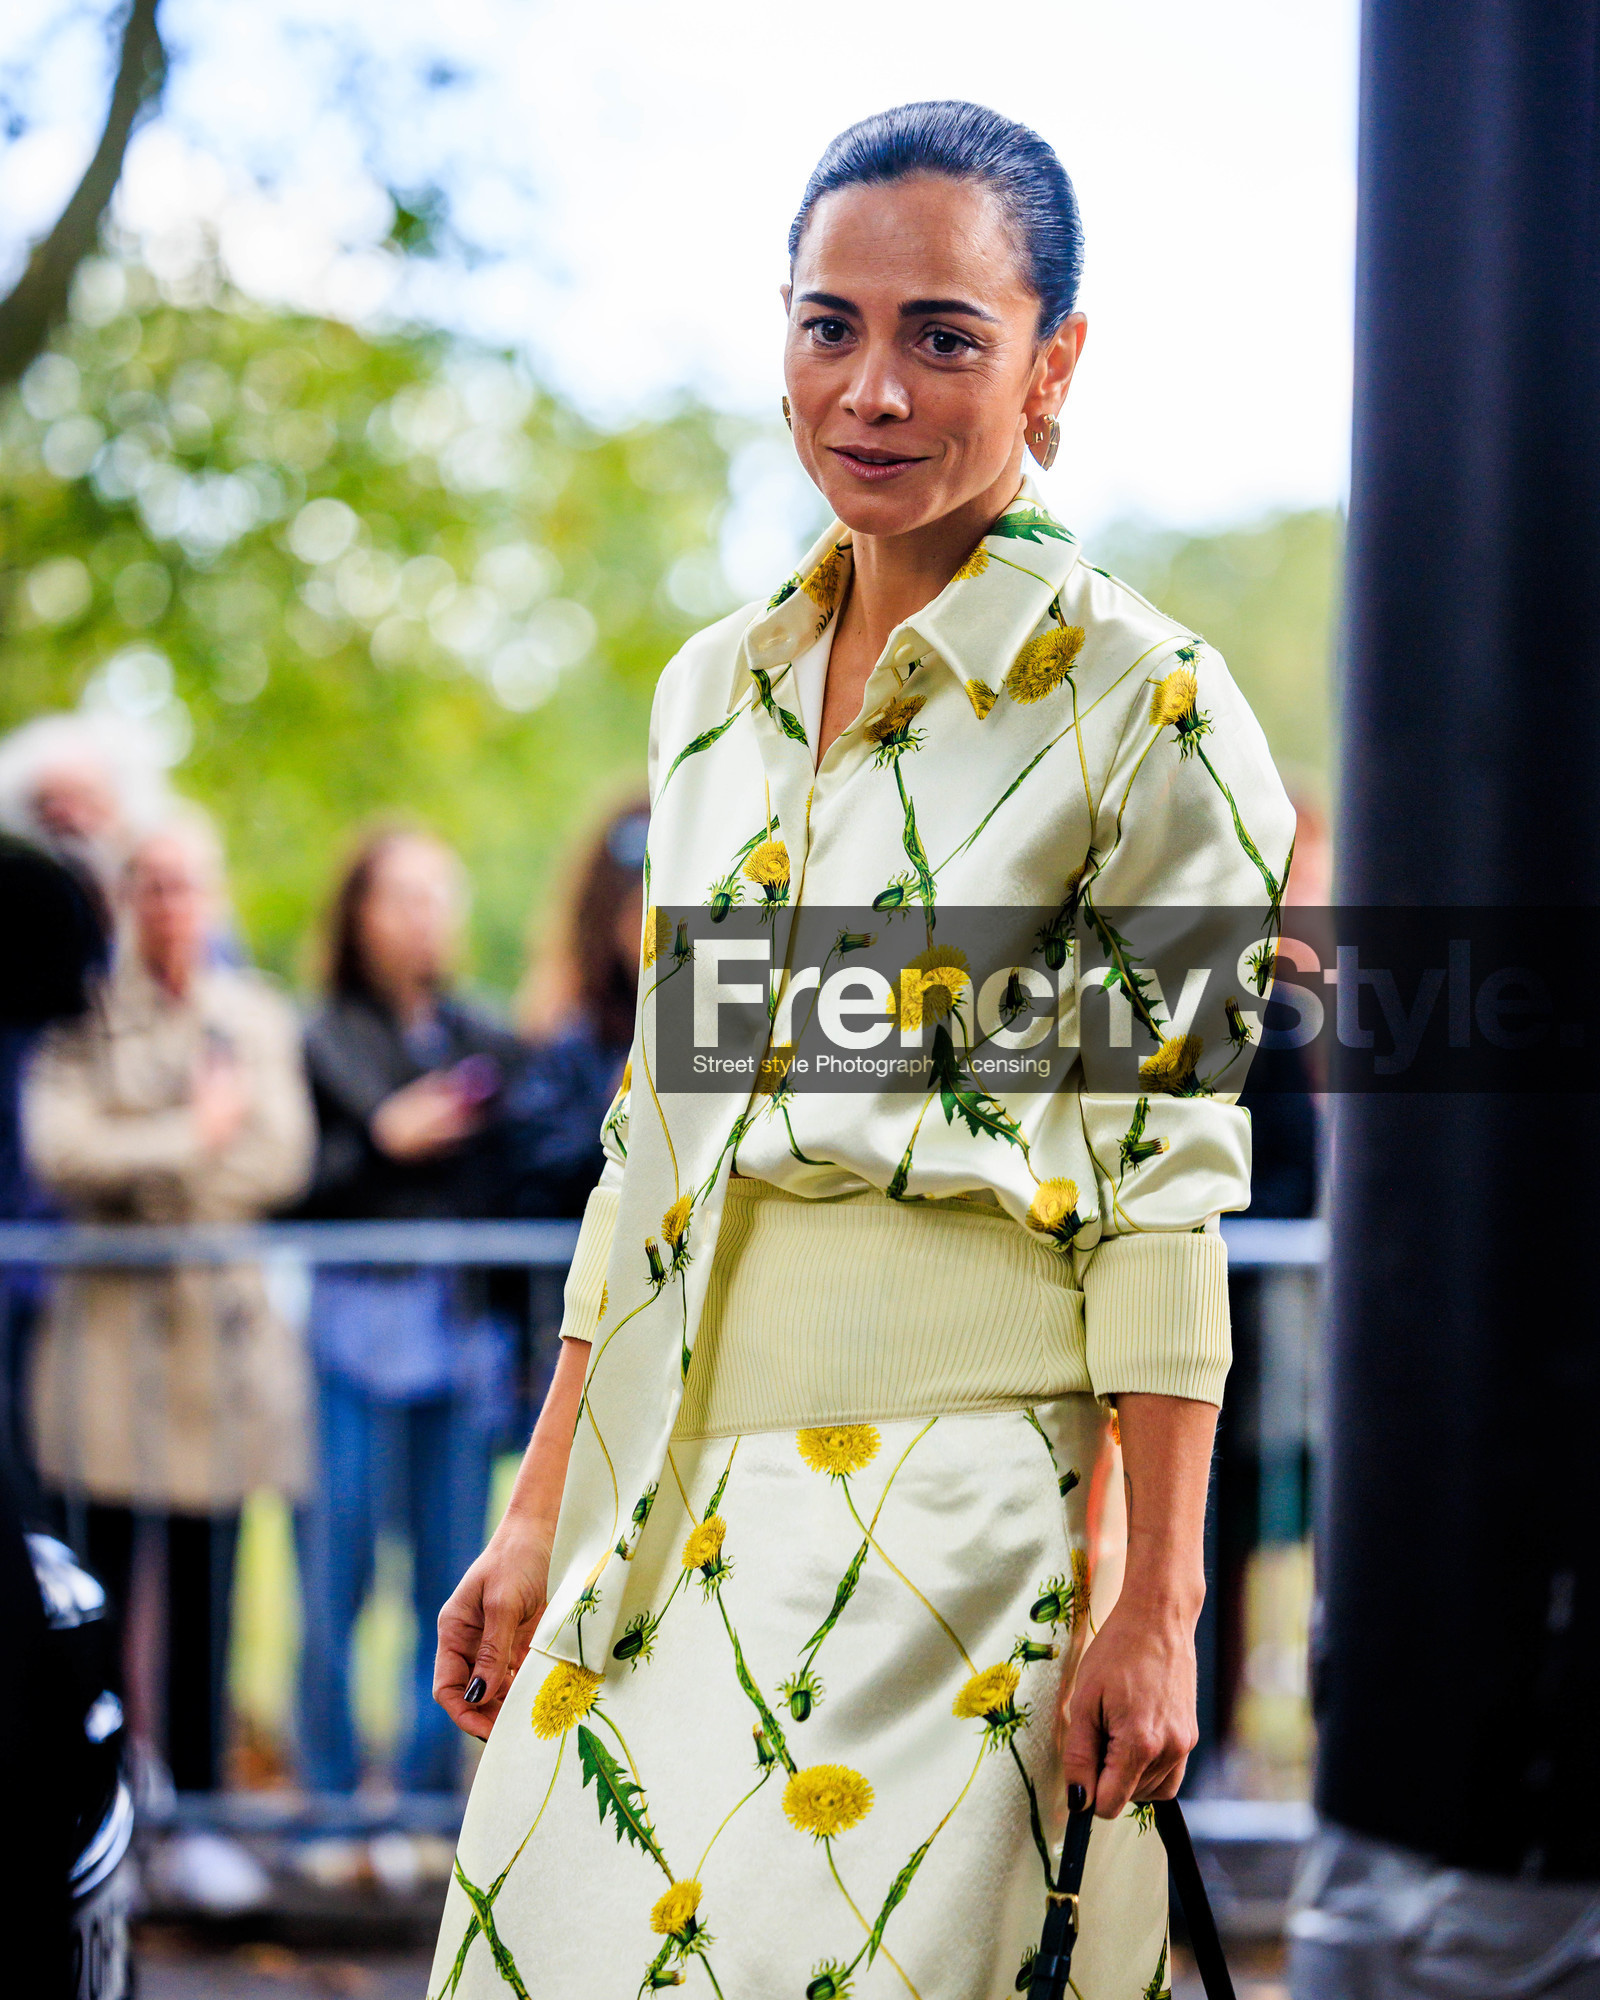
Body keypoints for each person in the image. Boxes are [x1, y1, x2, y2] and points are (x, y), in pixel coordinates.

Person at [429, 102, 1294, 1998]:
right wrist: (539, 1507)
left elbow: (1167, 1188)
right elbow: (656, 1138)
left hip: (966, 1543)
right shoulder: (710, 692)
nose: (873, 388)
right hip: (674, 1504)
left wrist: (1157, 1601)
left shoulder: (1152, 705)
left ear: (1056, 363)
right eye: (830, 326)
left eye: (945, 336)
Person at [23, 809, 313, 1794]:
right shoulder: (83, 1010)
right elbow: (62, 1151)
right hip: (106, 1347)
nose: (169, 904)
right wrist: (194, 1136)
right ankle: (103, 1788)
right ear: (125, 899)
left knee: (207, 1590)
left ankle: (200, 1803)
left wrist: (143, 1156)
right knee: (96, 1575)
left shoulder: (255, 1016)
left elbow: (278, 1155)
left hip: (217, 1351)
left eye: (186, 883)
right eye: (149, 883)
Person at [294, 827, 524, 1795]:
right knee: (335, 1566)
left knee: (450, 1565)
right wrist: (385, 1140)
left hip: (458, 1331)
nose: (421, 915)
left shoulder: (489, 1035)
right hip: (351, 1326)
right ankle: (329, 1801)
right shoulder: (318, 1033)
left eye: (437, 894)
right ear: (358, 912)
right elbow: (288, 1183)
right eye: (400, 895)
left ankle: (430, 1799)